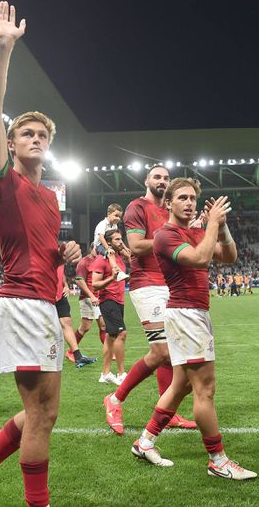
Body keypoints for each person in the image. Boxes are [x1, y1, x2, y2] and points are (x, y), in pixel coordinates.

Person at [0, 1, 82, 507]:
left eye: (42, 135)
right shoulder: (3, 182)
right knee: (42, 416)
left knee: (42, 413)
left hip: (42, 304)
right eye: (27, 133)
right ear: (10, 142)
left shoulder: (50, 197)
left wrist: (63, 253)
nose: (36, 138)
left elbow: (40, 250)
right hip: (22, 304)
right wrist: (3, 46)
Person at [132, 179, 256, 479]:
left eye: (192, 198)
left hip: (192, 314)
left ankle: (145, 442)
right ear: (169, 203)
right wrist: (211, 223)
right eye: (182, 198)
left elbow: (229, 256)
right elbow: (200, 260)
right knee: (205, 390)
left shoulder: (195, 231)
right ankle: (218, 461)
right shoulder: (165, 235)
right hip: (186, 315)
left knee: (181, 386)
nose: (189, 203)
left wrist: (221, 227)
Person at [104, 165, 196, 435]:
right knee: (162, 352)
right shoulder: (137, 207)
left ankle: (169, 412)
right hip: (147, 284)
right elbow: (136, 246)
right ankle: (115, 399)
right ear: (147, 180)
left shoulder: (170, 211)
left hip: (170, 283)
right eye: (157, 177)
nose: (162, 181)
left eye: (166, 178)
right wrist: (169, 238)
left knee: (172, 354)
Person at [92, 230, 129, 386]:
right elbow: (95, 284)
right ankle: (121, 373)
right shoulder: (101, 259)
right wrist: (111, 279)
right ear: (108, 242)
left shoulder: (118, 257)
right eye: (117, 239)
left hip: (119, 300)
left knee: (110, 337)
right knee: (121, 334)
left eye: (121, 239)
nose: (120, 241)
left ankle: (105, 374)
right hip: (108, 300)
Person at [71, 243, 108, 363]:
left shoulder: (100, 261)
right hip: (88, 298)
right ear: (92, 248)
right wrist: (91, 296)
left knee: (103, 325)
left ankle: (109, 351)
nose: (99, 251)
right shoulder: (84, 262)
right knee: (85, 327)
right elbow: (79, 281)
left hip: (99, 298)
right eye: (97, 249)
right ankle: (71, 351)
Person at [55, 264, 96, 368]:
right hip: (44, 294)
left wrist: (65, 285)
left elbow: (60, 271)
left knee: (67, 323)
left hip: (60, 294)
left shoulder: (58, 257)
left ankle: (78, 357)